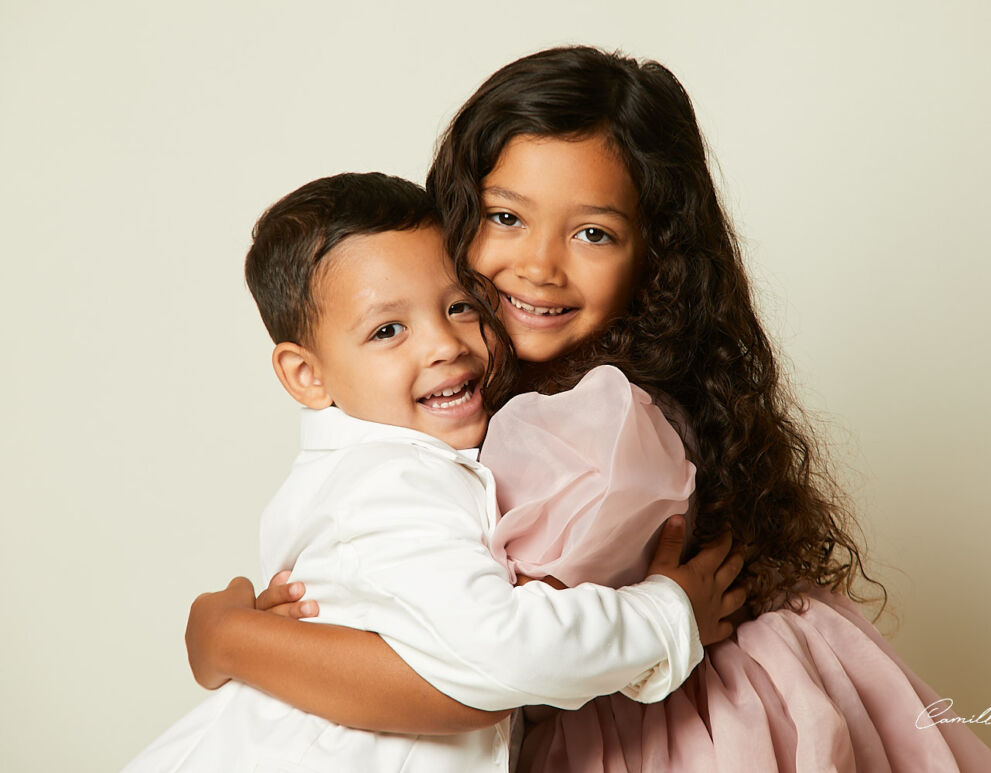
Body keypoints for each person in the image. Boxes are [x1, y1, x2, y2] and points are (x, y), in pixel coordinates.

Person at [188, 48, 991, 771]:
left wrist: (230, 640)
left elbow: (466, 676)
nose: (539, 267)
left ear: (656, 255)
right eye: (507, 218)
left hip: (681, 724)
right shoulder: (456, 396)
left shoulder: (593, 430)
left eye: (594, 234)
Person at [127, 172, 745, 772]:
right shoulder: (387, 485)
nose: (445, 344)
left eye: (458, 306)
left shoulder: (385, 467)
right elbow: (498, 654)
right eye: (388, 330)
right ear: (306, 376)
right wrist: (668, 616)